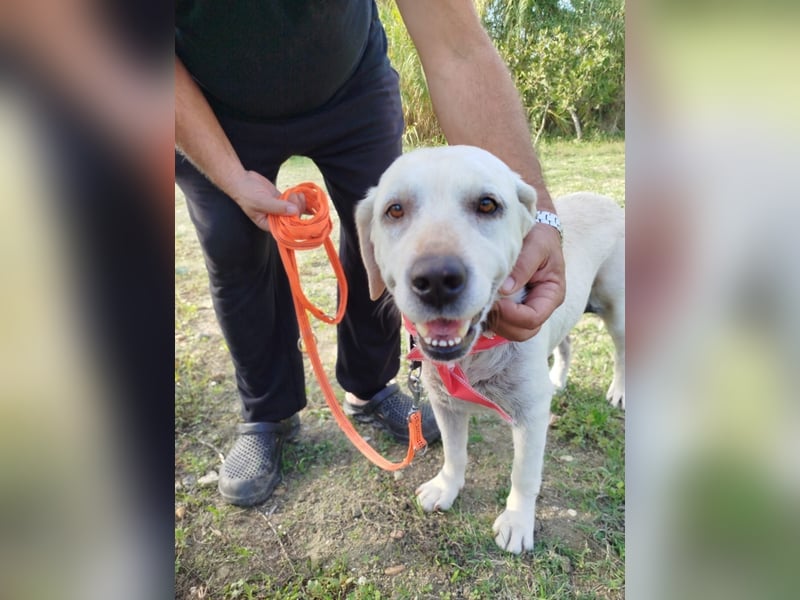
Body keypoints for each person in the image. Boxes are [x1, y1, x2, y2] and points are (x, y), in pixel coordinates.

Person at [175, 0, 566, 507]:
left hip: (351, 86)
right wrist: (231, 178)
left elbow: (458, 47)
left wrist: (542, 217)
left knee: (378, 259)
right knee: (233, 251)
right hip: (206, 100)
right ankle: (266, 413)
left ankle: (371, 385)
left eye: (485, 207)